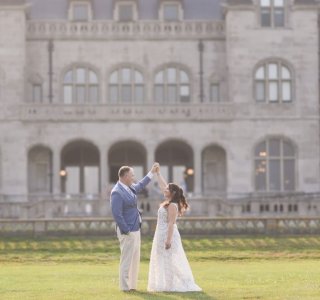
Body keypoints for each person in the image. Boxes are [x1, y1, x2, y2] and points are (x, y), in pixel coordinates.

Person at [147, 166, 202, 292]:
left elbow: (171, 223)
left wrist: (168, 240)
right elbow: (163, 186)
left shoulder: (172, 205)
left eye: (168, 189)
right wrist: (158, 174)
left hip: (168, 235)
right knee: (162, 260)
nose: (164, 189)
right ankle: (165, 285)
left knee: (170, 261)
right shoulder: (168, 201)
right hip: (160, 234)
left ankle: (177, 283)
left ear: (172, 193)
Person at [110, 163, 159, 292]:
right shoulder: (116, 192)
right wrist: (126, 230)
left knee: (135, 260)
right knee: (126, 261)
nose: (133, 177)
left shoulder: (129, 187)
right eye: (132, 175)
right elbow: (117, 214)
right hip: (127, 231)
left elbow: (141, 185)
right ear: (125, 176)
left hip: (136, 229)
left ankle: (132, 286)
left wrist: (151, 172)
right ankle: (125, 287)